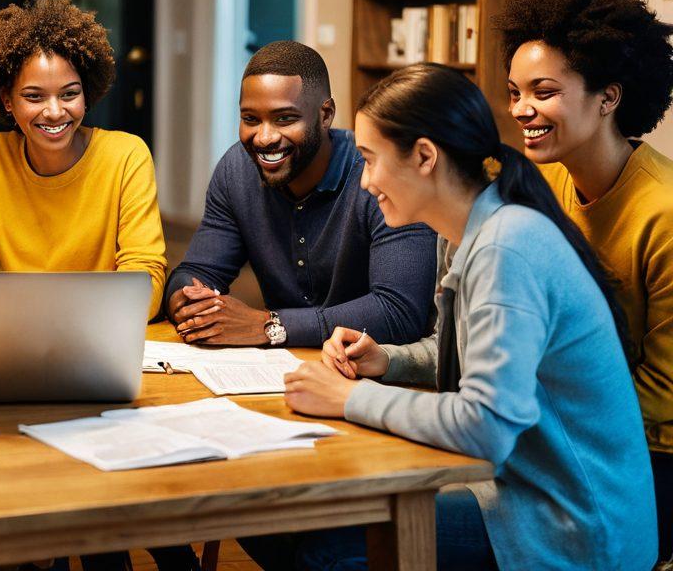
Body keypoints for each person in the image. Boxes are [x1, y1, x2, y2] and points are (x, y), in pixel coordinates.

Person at [279, 62, 656, 570]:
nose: (365, 182)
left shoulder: (506, 246)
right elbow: (468, 355)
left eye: (370, 161)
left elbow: (485, 426)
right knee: (292, 523)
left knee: (325, 545)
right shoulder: (474, 229)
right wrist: (383, 362)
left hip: (574, 528)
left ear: (425, 157)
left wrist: (351, 398)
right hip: (527, 492)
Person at [0, 0, 179, 571]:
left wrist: (37, 318)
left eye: (69, 93)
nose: (54, 112)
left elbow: (145, 275)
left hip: (100, 369)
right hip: (6, 369)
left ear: (88, 92)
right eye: (33, 96)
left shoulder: (126, 156)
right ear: (5, 99)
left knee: (108, 517)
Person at [493, 0, 673, 559]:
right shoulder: (543, 182)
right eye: (514, 91)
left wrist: (534, 421)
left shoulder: (664, 214)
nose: (521, 109)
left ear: (608, 97)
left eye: (542, 92)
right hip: (562, 434)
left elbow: (668, 395)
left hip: (649, 466)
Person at [165, 41, 435, 349]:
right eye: (250, 119)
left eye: (284, 119)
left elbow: (399, 313)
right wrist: (188, 301)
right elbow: (199, 269)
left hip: (378, 376)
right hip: (275, 371)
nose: (264, 137)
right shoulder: (236, 171)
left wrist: (269, 326)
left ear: (325, 114)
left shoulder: (379, 175)